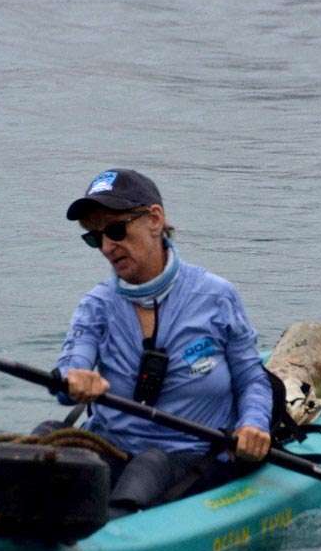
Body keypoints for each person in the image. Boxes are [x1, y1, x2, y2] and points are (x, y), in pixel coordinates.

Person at [55, 168, 272, 515]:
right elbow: (72, 367)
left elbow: (251, 379)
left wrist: (254, 426)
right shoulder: (96, 305)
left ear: (155, 220)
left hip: (192, 455)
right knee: (45, 441)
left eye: (116, 230)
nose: (107, 247)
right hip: (112, 449)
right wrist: (74, 379)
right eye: (95, 237)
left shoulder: (216, 297)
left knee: (150, 465)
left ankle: (113, 531)